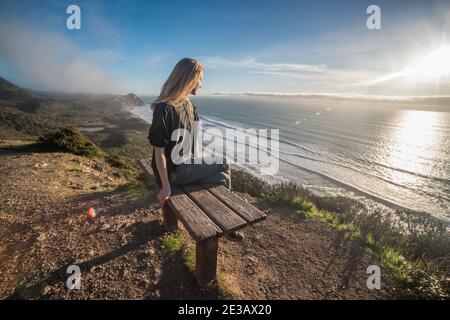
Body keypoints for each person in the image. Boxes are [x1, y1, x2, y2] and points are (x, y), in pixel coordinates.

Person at [148, 57, 244, 242]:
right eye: (200, 79)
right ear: (189, 80)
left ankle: (224, 220)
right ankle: (227, 220)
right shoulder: (164, 108)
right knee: (222, 163)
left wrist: (197, 165)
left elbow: (195, 140)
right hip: (172, 171)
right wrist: (166, 186)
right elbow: (158, 151)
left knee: (222, 179)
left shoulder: (190, 106)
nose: (201, 84)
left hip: (185, 165)